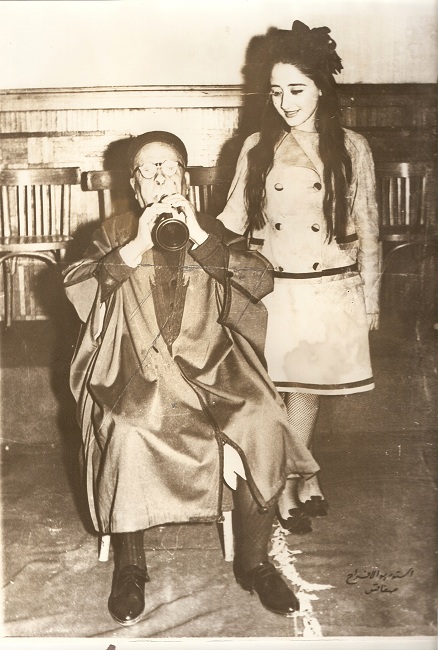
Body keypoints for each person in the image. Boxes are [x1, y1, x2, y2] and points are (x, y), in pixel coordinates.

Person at [64, 130, 320, 626]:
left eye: (170, 167)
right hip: (136, 374)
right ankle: (131, 569)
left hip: (215, 372)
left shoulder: (212, 230)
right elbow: (77, 288)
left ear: (185, 178)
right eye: (148, 170)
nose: (160, 177)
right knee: (126, 430)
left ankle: (254, 563)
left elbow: (260, 281)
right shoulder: (111, 233)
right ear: (135, 186)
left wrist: (203, 241)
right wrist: (136, 245)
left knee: (265, 418)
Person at [217, 21, 381, 534]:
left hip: (329, 287)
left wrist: (372, 298)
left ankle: (293, 480)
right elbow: (231, 222)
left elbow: (369, 229)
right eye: (276, 91)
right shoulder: (256, 146)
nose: (285, 103)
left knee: (307, 388)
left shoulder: (351, 147)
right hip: (275, 287)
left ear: (321, 89)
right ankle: (302, 475)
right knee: (282, 388)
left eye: (296, 89)